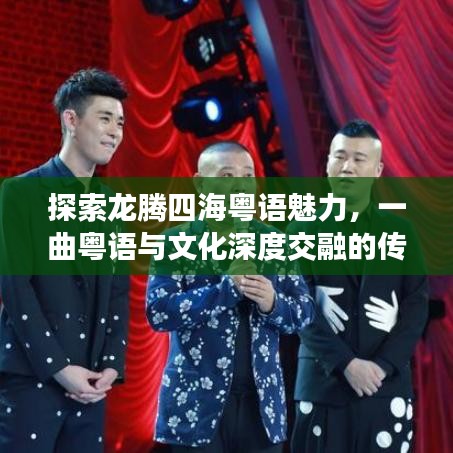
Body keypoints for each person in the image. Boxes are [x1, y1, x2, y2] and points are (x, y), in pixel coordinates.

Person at [146, 141, 314, 453]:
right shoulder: (176, 242)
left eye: (248, 176)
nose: (240, 186)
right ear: (200, 184)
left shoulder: (275, 242)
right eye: (227, 176)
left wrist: (272, 303)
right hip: (195, 404)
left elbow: (305, 311)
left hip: (261, 407)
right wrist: (224, 292)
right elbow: (159, 312)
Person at [0, 68, 130, 452]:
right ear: (71, 120)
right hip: (31, 377)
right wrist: (59, 367)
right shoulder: (20, 192)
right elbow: (16, 289)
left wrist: (111, 365)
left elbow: (118, 291)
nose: (115, 132)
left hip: (91, 383)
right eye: (105, 119)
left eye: (120, 123)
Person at [288, 119, 428, 453]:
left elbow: (416, 306)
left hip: (385, 387)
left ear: (377, 170)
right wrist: (346, 364)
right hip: (322, 386)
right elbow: (296, 305)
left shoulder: (400, 231)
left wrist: (382, 366)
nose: (347, 167)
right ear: (327, 164)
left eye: (358, 159)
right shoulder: (301, 229)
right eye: (339, 157)